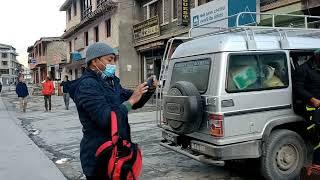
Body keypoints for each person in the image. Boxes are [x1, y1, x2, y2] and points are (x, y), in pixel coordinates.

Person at [68, 42, 156, 180]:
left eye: (114, 59)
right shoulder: (87, 86)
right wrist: (130, 101)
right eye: (109, 59)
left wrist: (148, 90)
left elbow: (134, 102)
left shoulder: (112, 82)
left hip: (118, 153)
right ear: (95, 61)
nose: (113, 63)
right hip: (99, 156)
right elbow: (106, 118)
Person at [294, 49, 320, 164]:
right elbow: (298, 88)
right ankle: (316, 166)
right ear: (317, 56)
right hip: (311, 109)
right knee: (317, 139)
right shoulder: (303, 69)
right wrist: (311, 99)